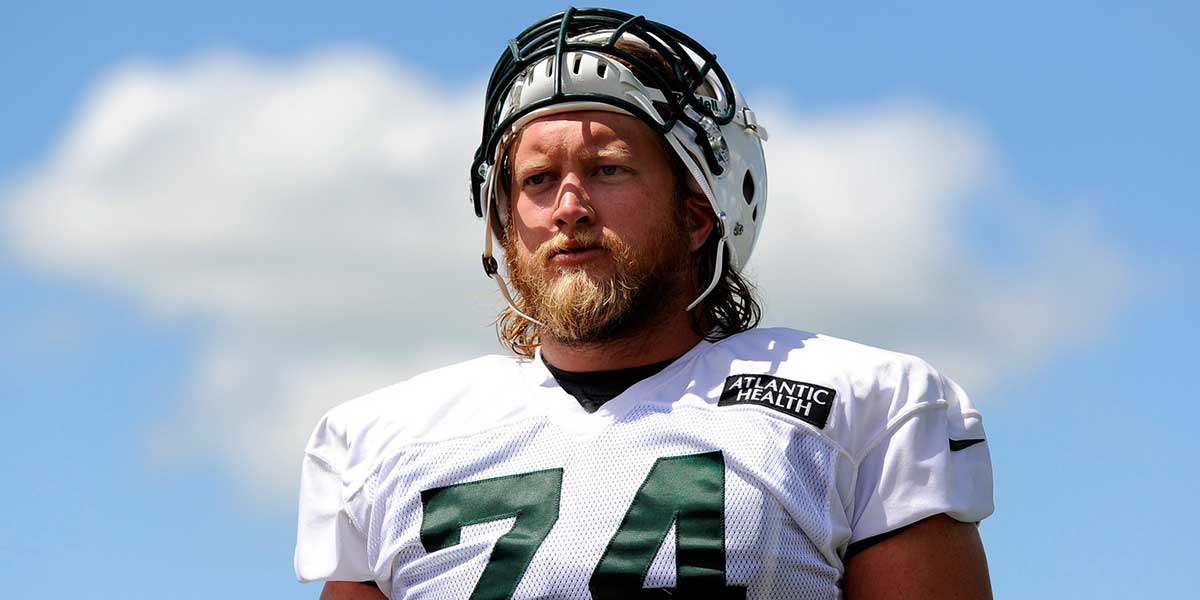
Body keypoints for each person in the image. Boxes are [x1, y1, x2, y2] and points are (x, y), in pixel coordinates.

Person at [295, 7, 994, 599]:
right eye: (539, 179)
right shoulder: (383, 442)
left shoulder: (864, 404)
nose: (569, 206)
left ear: (698, 213)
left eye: (608, 170)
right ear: (505, 225)